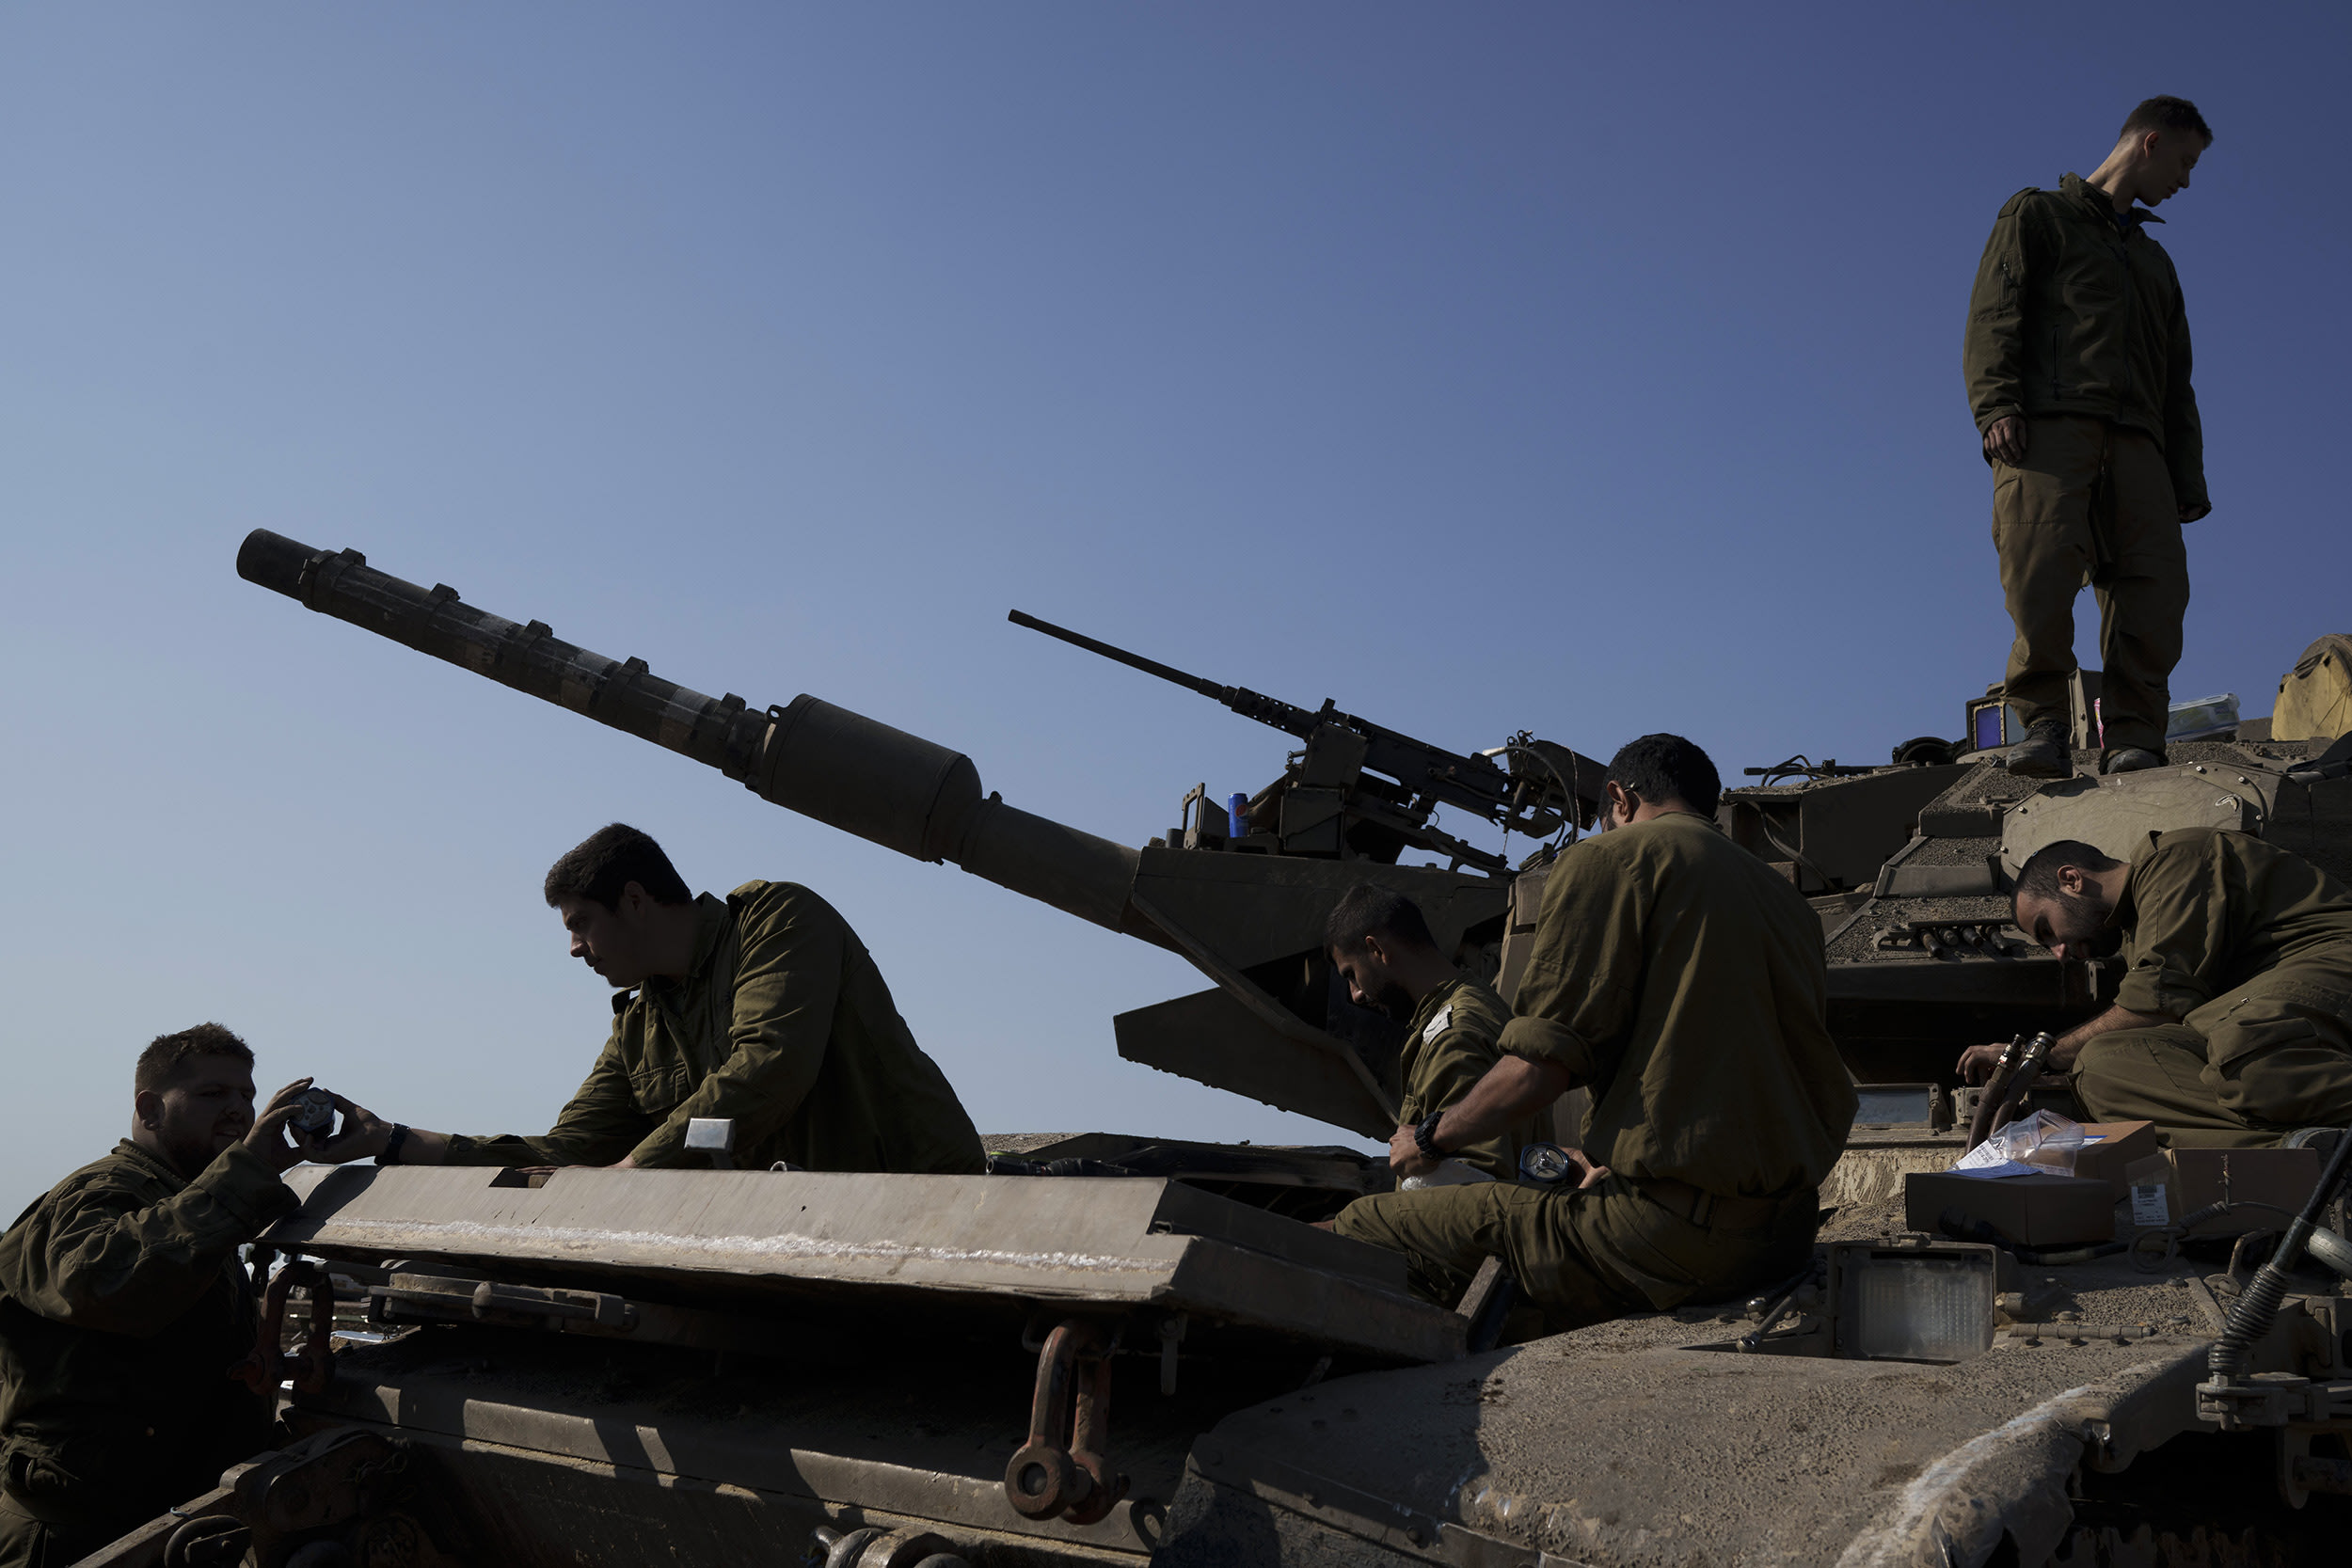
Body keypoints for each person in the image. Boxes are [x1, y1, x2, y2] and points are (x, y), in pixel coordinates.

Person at [1330, 736, 1857, 1327]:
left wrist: (1426, 1140)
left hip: (1673, 1241)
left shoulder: (1612, 859)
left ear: (1619, 798)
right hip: (1781, 1235)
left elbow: (1537, 1070)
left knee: (1363, 1225)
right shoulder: (1789, 903)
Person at [327, 824, 986, 1174]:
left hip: (921, 1209)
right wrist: (396, 1139)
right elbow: (571, 1153)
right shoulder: (640, 1026)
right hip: (799, 1239)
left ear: (635, 901)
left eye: (581, 923)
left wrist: (640, 1164)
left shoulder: (778, 920)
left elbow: (769, 1065)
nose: (575, 949)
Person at [0, 1026, 321, 1564]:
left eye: (246, 1095)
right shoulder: (106, 1191)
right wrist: (248, 1172)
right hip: (78, 1536)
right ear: (149, 1110)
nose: (239, 1111)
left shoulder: (188, 1201)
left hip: (161, 1526)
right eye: (212, 1094)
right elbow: (103, 1283)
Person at [1963, 96, 2214, 780]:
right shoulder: (2038, 216)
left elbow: (2176, 381)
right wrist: (1996, 406)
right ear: (2151, 142)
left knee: (2155, 593)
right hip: (2047, 430)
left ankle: (2133, 732)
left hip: (2140, 446)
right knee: (2038, 574)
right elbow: (1994, 314)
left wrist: (2186, 479)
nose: (2185, 182)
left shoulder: (2156, 263)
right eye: (2185, 163)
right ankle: (2042, 723)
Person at [1959, 831, 2352, 1148]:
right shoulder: (2133, 930)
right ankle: (2296, 1153)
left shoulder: (2176, 860)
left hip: (2329, 964)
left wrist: (2042, 1054)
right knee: (2102, 1066)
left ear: (2071, 880)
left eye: (2047, 929)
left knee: (2245, 1051)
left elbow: (2157, 1001)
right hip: (2258, 1009)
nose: (2059, 953)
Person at [1326, 885, 1538, 1181]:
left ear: (1377, 950)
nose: (1356, 995)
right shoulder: (1474, 1001)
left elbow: (1474, 1188)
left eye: (1351, 974)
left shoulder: (1453, 1036)